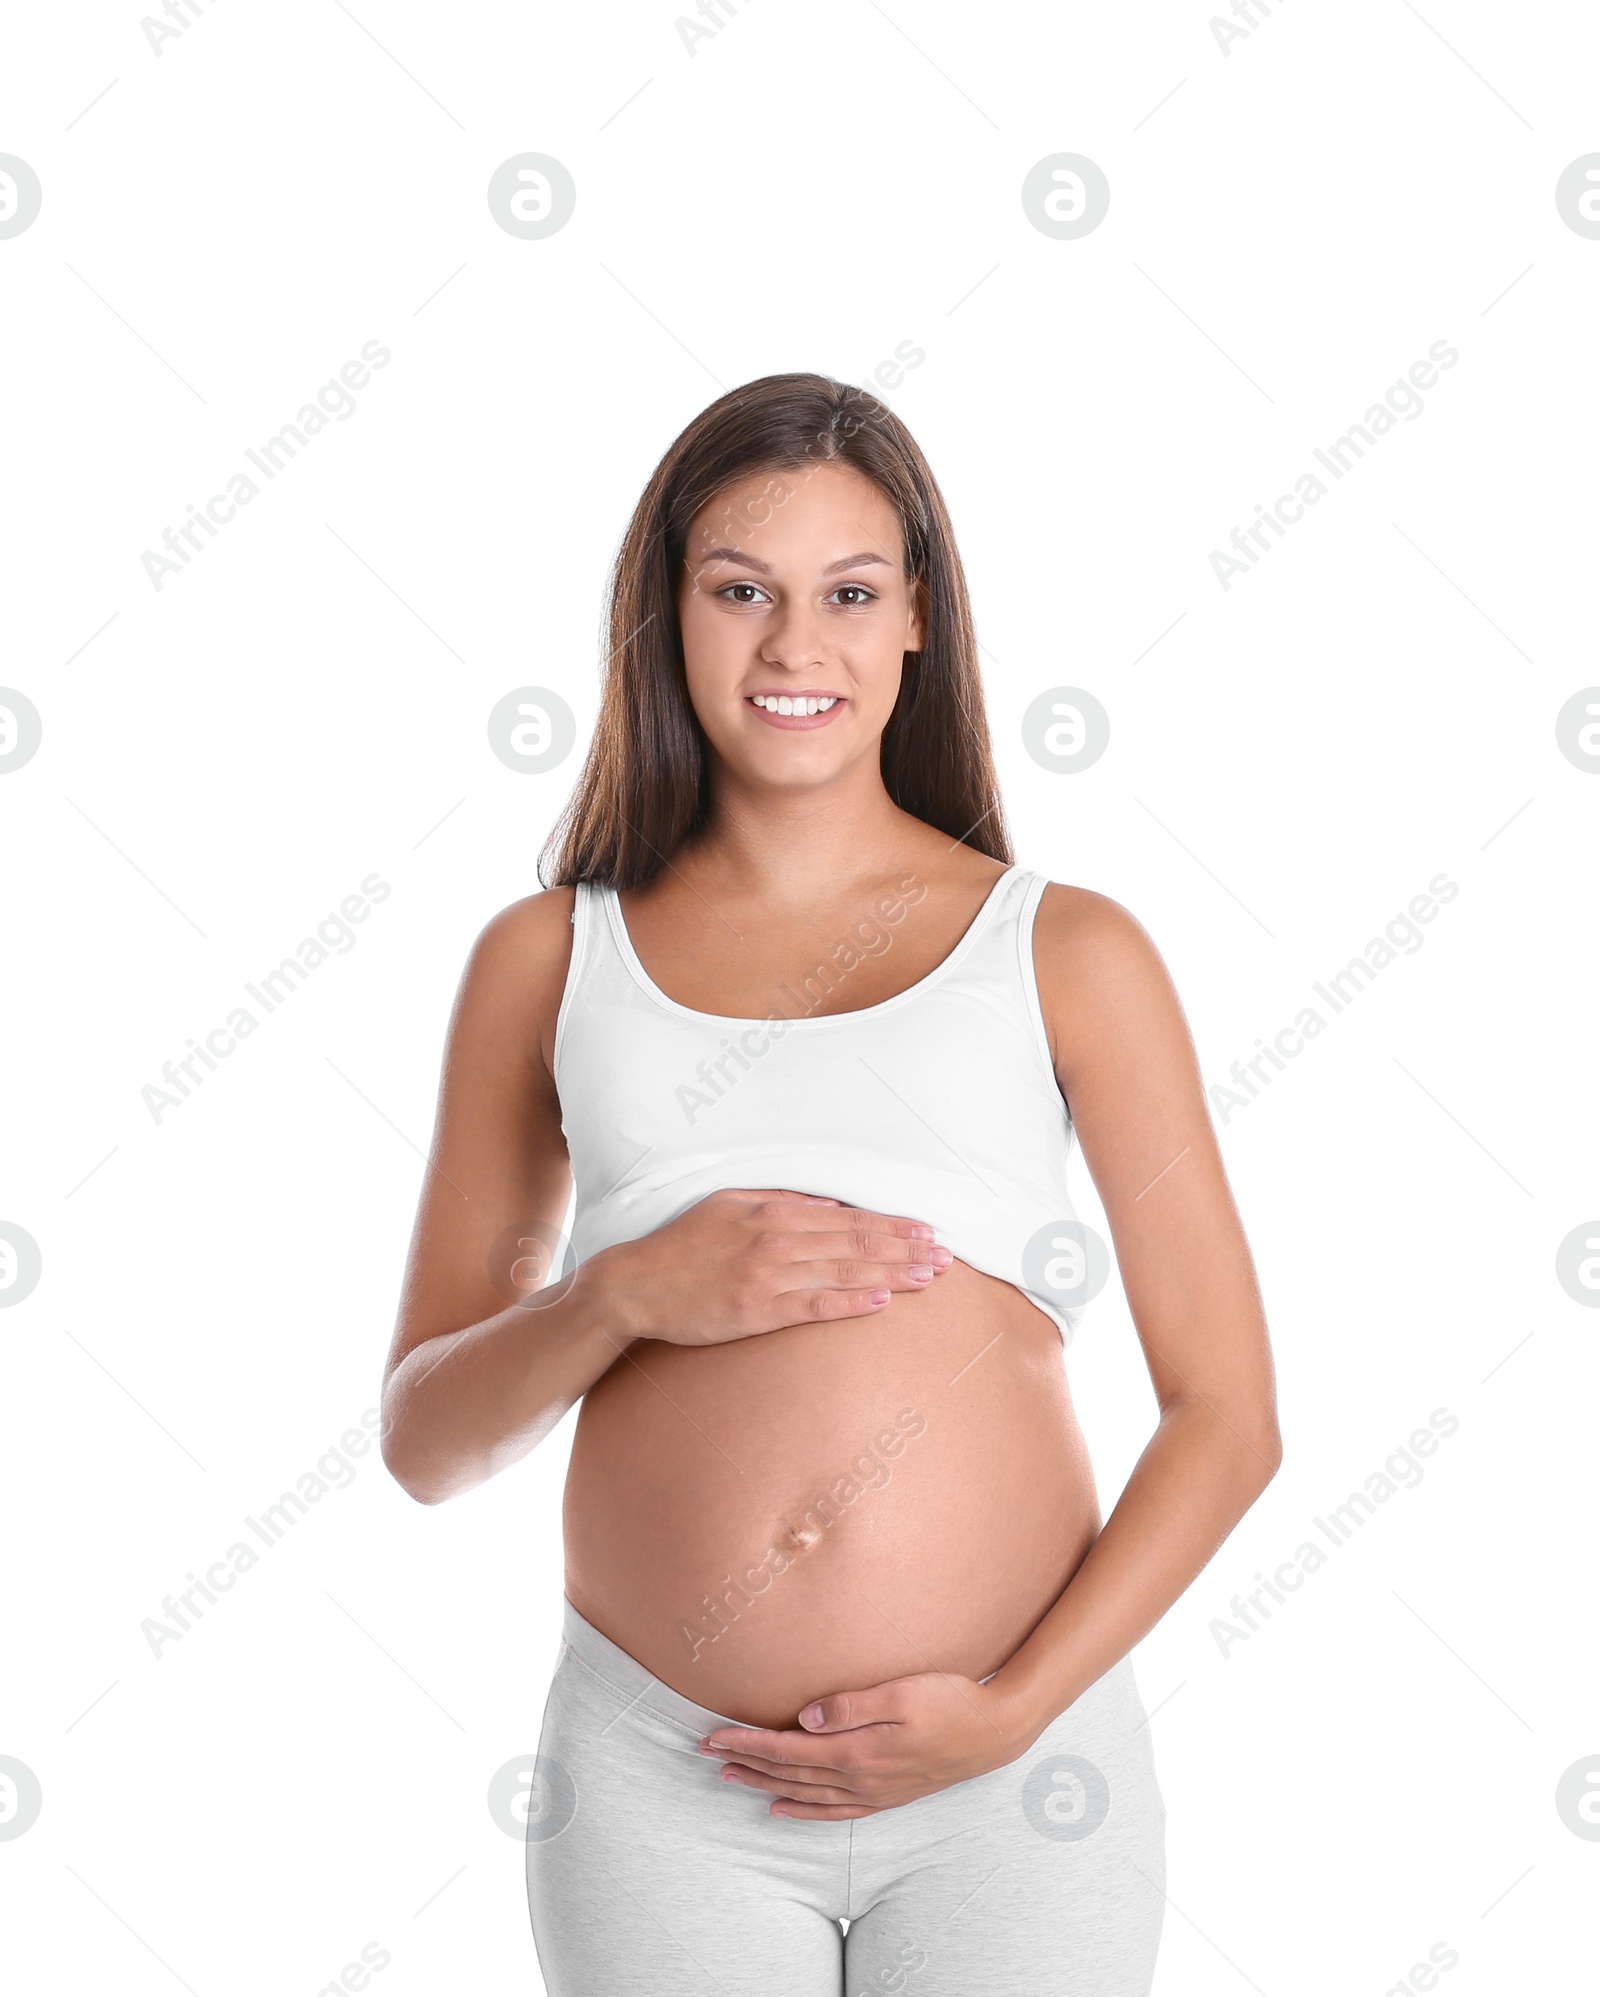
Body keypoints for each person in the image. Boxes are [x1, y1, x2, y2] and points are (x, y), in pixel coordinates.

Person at [379, 373, 1281, 1995]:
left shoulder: (1064, 950)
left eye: (850, 594)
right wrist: (617, 1295)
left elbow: (1229, 1414)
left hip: (1012, 1779)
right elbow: (427, 1439)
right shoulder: (548, 961)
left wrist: (1011, 1709)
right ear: (665, 616)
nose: (797, 649)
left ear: (918, 619)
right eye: (741, 592)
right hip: (667, 1779)